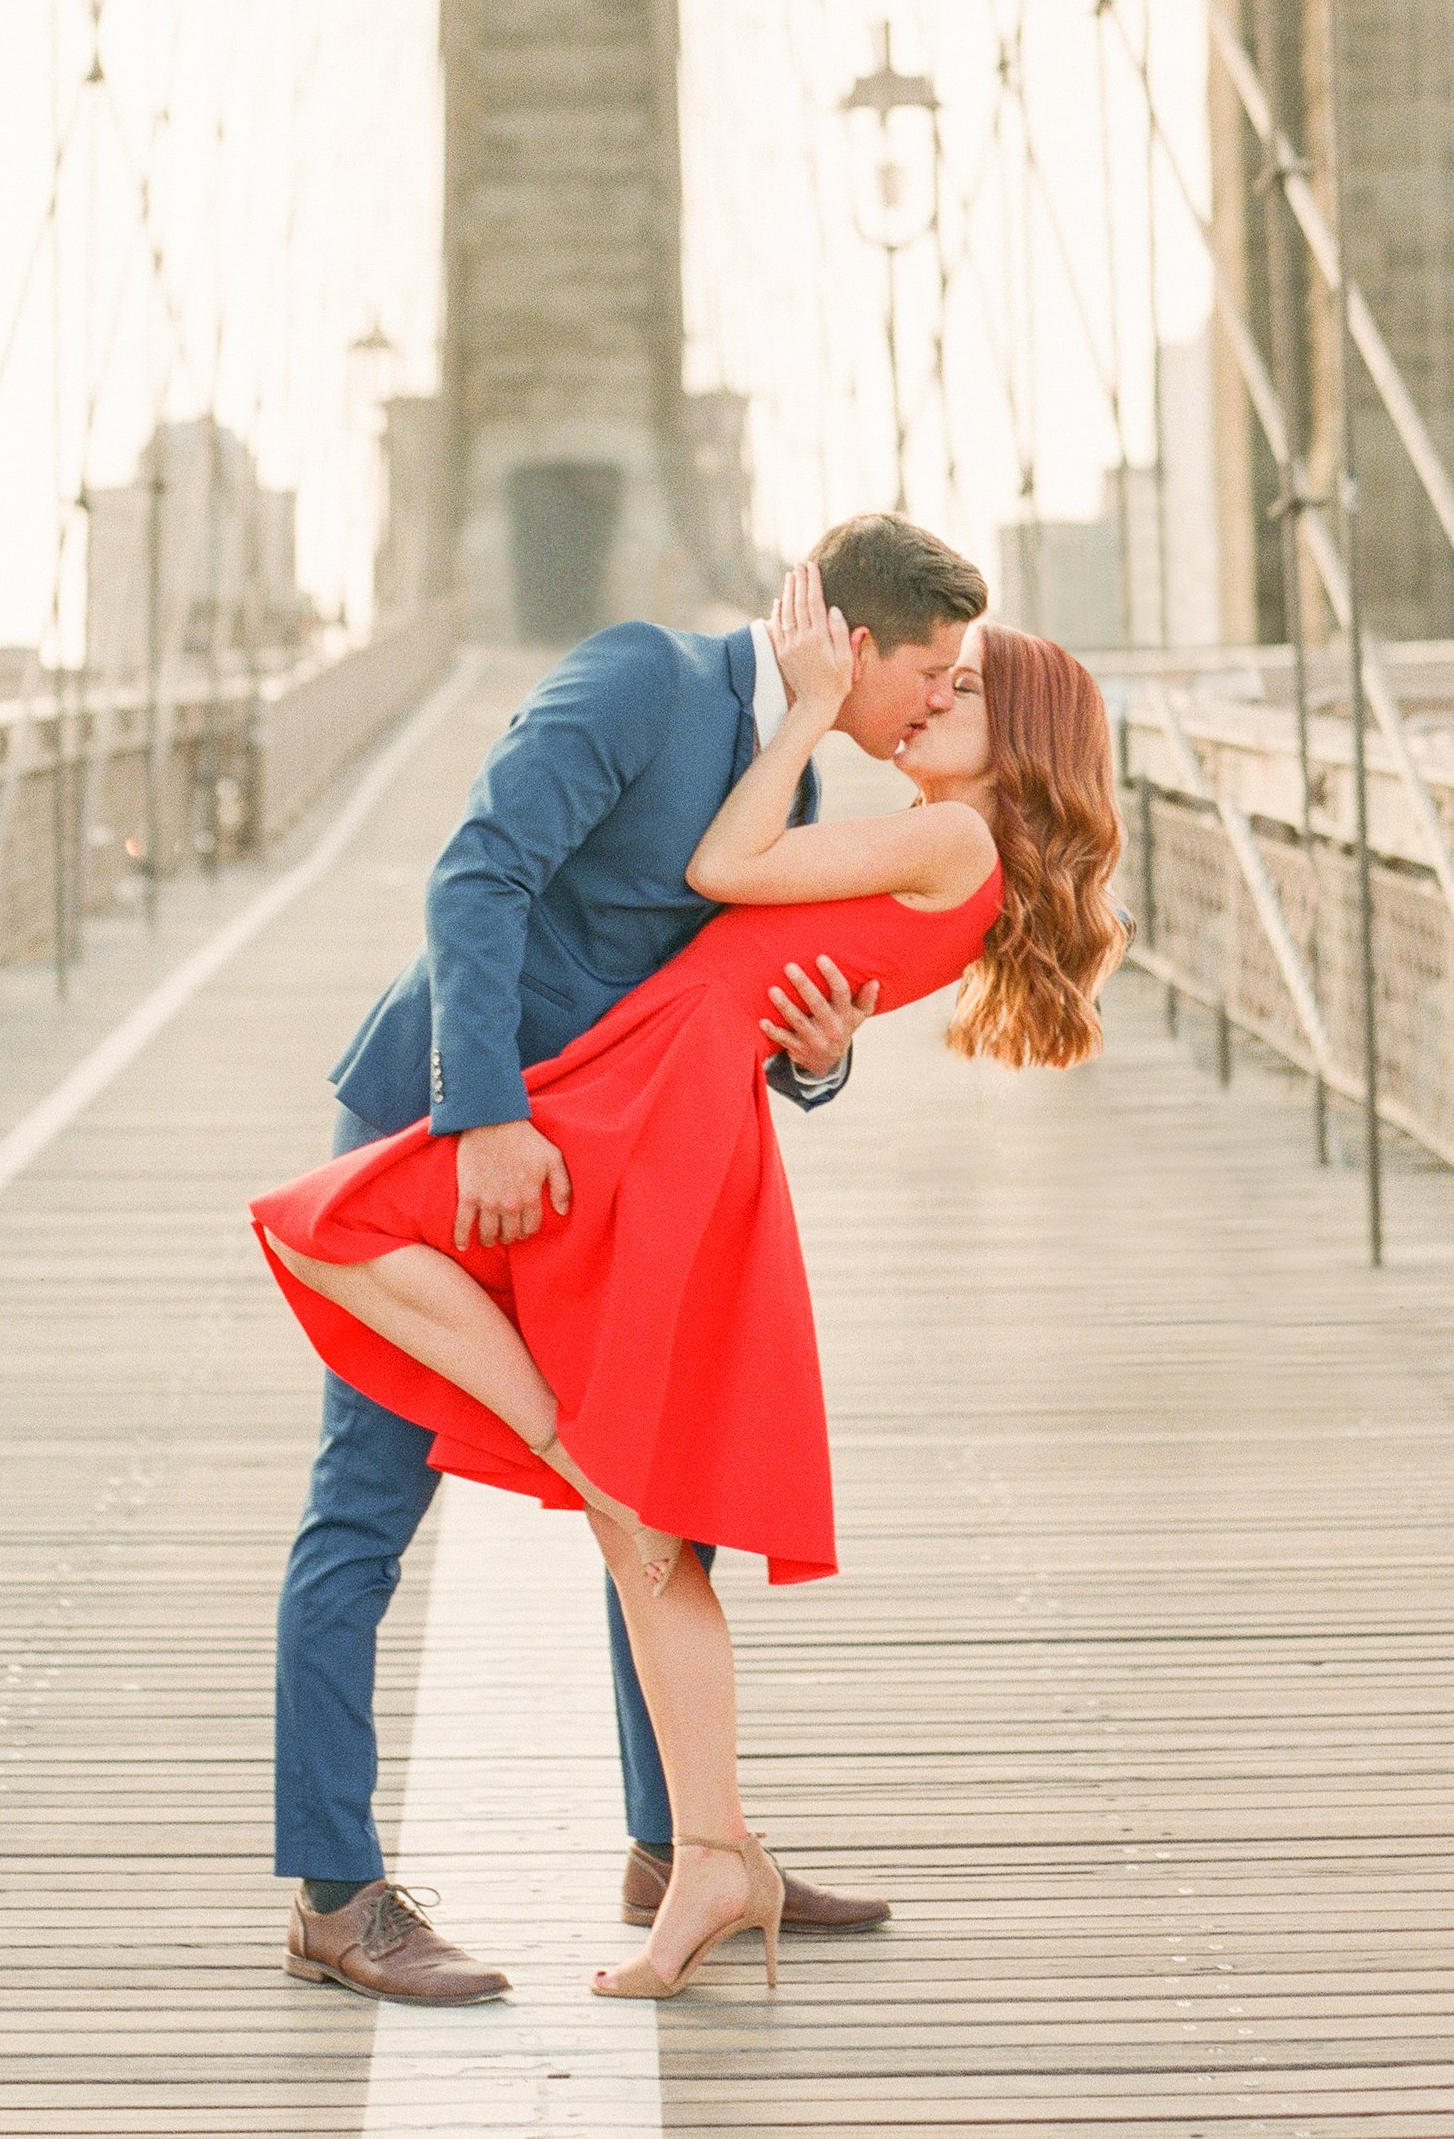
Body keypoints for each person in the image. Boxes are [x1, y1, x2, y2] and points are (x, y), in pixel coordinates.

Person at [258, 555, 1124, 2001]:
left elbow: (754, 971)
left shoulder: (814, 791)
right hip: (460, 1100)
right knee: (369, 1492)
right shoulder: (646, 677)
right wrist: (480, 1109)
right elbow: (478, 870)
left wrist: (823, 1051)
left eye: (957, 688)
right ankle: (336, 1891)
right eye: (929, 670)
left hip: (623, 1128)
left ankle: (681, 1843)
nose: (924, 702)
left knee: (659, 1500)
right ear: (851, 645)